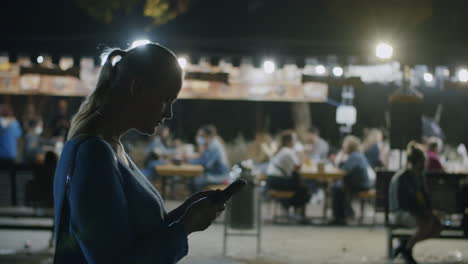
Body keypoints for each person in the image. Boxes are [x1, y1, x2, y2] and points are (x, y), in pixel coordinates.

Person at [53, 43, 225, 264]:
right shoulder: (94, 154)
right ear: (138, 88)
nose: (169, 113)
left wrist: (185, 214)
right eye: (166, 100)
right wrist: (185, 227)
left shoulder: (110, 147)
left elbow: (135, 235)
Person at [389, 141, 442, 264]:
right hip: (400, 212)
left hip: (415, 211)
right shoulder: (402, 178)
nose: (422, 168)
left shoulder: (419, 176)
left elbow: (425, 196)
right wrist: (422, 213)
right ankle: (407, 249)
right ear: (413, 163)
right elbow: (404, 204)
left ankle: (405, 246)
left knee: (438, 226)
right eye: (421, 165)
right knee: (426, 225)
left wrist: (429, 211)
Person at [266, 130, 311, 223]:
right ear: (288, 141)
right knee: (305, 190)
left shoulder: (283, 150)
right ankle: (298, 215)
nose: (296, 142)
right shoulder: (287, 151)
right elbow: (298, 167)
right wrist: (304, 153)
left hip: (273, 180)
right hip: (277, 181)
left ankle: (290, 210)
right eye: (295, 139)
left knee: (302, 186)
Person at [332, 135, 374, 225]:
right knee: (338, 187)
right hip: (361, 183)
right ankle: (345, 214)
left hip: (360, 185)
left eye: (345, 144)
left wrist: (341, 156)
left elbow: (344, 171)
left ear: (350, 146)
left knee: (337, 188)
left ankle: (340, 217)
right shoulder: (356, 155)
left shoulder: (354, 156)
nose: (343, 146)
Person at [189, 125, 230, 192]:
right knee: (193, 179)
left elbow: (206, 163)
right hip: (214, 174)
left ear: (207, 136)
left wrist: (189, 162)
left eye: (202, 136)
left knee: (197, 181)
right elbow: (203, 158)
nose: (200, 138)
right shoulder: (211, 144)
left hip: (221, 176)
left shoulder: (214, 146)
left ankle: (199, 200)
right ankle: (198, 200)